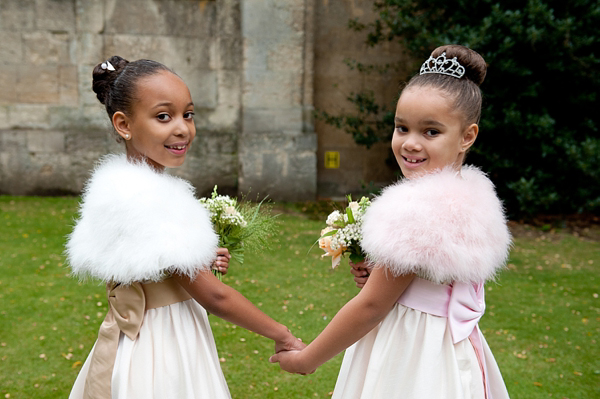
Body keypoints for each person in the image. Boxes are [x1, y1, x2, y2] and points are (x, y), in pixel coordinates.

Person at [270, 45, 512, 399]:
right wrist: (385, 270)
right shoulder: (472, 196)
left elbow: (371, 307)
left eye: (431, 132)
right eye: (402, 128)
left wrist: (308, 359)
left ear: (466, 137)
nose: (410, 143)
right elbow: (433, 280)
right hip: (450, 349)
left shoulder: (414, 208)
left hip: (410, 351)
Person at [66, 56, 304, 399]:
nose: (182, 128)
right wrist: (280, 333)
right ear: (124, 124)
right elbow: (215, 295)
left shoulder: (121, 191)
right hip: (161, 347)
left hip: (137, 338)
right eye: (164, 116)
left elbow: (154, 269)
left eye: (187, 114)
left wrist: (197, 257)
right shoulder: (150, 199)